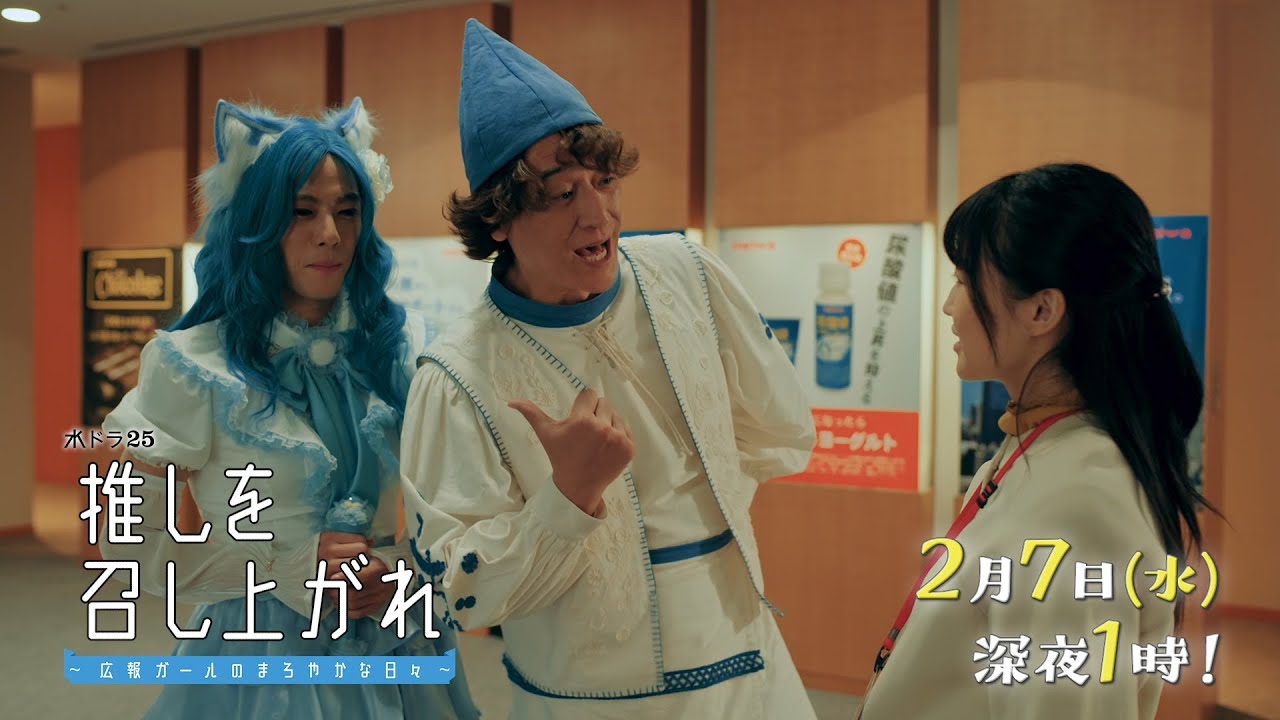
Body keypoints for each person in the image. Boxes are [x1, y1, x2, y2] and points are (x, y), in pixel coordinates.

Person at [398, 19, 818, 719]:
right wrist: (569, 496)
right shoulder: (457, 373)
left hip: (746, 670)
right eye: (562, 194)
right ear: (498, 220)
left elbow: (776, 429)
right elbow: (456, 589)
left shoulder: (689, 277)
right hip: (583, 699)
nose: (597, 216)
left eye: (604, 182)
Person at [98, 98, 480, 720]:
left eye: (347, 211)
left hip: (397, 640)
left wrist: (402, 571)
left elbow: (458, 509)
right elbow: (130, 545)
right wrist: (289, 568)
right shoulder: (191, 364)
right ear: (257, 221)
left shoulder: (400, 350)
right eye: (302, 211)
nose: (330, 233)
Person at [855, 163, 1216, 719]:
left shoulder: (1080, 503)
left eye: (963, 281)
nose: (950, 306)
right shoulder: (1038, 449)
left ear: (1042, 310)